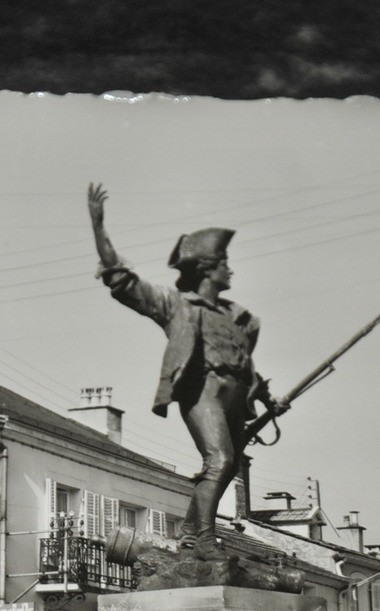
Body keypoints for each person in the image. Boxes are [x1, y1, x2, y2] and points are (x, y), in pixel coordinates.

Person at [88, 183, 280, 560]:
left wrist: (267, 398)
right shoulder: (177, 305)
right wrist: (99, 229)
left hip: (236, 397)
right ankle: (206, 542)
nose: (231, 270)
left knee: (229, 467)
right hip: (202, 391)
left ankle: (192, 535)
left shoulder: (241, 319)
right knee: (220, 461)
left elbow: (244, 365)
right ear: (208, 270)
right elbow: (124, 281)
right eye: (225, 264)